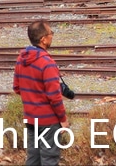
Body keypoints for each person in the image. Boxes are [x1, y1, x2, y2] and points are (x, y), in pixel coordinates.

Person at [13, 20, 68, 166]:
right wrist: (63, 120)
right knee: (49, 159)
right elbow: (54, 96)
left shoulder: (21, 59)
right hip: (48, 121)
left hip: (31, 119)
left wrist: (33, 98)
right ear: (43, 39)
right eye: (51, 33)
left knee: (33, 158)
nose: (52, 36)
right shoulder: (47, 63)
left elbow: (17, 88)